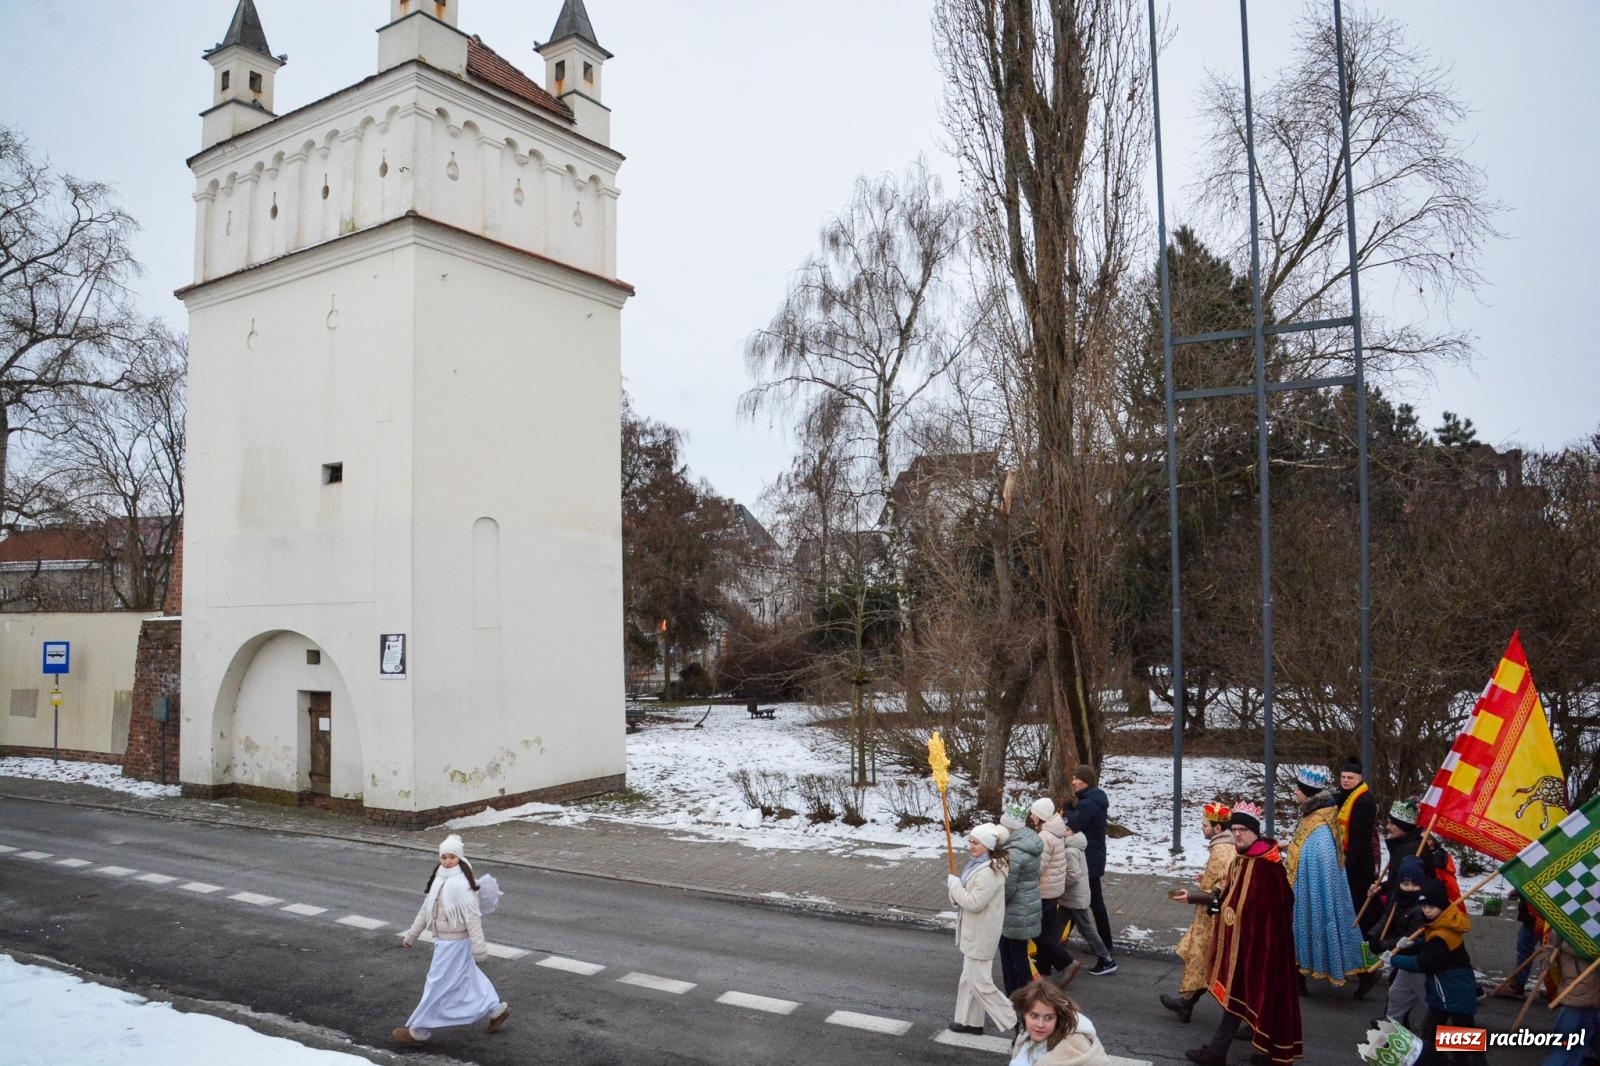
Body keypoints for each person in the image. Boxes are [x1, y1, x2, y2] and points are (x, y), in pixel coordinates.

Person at [1185, 801, 1303, 1066]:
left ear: (1254, 832)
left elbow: (1275, 910)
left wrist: (1250, 929)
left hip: (1262, 949)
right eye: (1235, 829)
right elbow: (1227, 899)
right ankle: (1230, 1052)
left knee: (1261, 998)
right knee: (1238, 999)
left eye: (1243, 830)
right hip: (1242, 947)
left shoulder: (1267, 867)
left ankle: (1265, 1054)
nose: (1237, 834)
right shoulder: (1241, 859)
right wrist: (1194, 897)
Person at [394, 834, 510, 1046]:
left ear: (459, 857)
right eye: (444, 857)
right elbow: (425, 910)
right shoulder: (439, 878)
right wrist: (412, 934)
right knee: (468, 978)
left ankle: (419, 1030)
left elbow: (473, 918)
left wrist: (479, 948)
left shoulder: (464, 883)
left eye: (452, 857)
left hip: (455, 943)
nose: (447, 861)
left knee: (437, 983)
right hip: (442, 940)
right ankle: (496, 1010)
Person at [1286, 767, 1367, 990]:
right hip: (1304, 884)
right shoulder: (1314, 814)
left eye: (1299, 789)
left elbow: (1320, 856)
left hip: (1313, 886)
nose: (1295, 792)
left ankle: (1365, 972)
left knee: (1321, 925)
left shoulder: (1320, 825)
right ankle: (1298, 974)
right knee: (1302, 926)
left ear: (1307, 793)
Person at [1386, 880, 1476, 1066]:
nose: (1426, 910)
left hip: (1452, 993)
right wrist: (1411, 945)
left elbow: (1424, 963)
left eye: (1431, 907)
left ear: (1442, 907)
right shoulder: (1440, 926)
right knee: (1436, 1034)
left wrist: (1393, 960)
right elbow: (1428, 947)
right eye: (1424, 906)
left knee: (1460, 1039)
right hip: (1446, 993)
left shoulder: (1443, 934)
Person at [1161, 801, 1236, 1023]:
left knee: (1205, 959)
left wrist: (1193, 896)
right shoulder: (1222, 846)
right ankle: (1186, 1005)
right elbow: (1219, 879)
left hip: (1213, 914)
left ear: (1218, 828)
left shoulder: (1222, 851)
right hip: (1210, 914)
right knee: (1201, 958)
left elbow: (1224, 888)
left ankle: (1237, 1013)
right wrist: (1204, 880)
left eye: (1205, 825)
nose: (1201, 828)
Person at [948, 823, 1018, 1036]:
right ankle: (970, 1022)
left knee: (981, 983)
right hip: (973, 932)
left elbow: (975, 902)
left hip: (981, 934)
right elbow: (962, 899)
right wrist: (956, 890)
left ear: (987, 846)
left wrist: (955, 887)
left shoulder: (990, 871)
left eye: (975, 842)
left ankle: (1018, 1021)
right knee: (968, 979)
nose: (971, 846)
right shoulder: (976, 864)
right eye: (970, 841)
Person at [1064, 765, 1115, 970]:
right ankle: (1101, 944)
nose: (1073, 781)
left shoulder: (1088, 804)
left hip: (1088, 859)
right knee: (1081, 902)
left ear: (1085, 781)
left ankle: (1105, 948)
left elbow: (1074, 824)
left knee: (1088, 902)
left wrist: (1067, 810)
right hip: (1093, 856)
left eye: (1077, 778)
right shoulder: (1092, 800)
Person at [1371, 858, 1431, 1028]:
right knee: (1396, 994)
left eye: (1415, 884)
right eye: (1406, 884)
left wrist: (1383, 945)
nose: (1410, 888)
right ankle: (1392, 1029)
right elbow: (1386, 917)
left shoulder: (1422, 909)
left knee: (1433, 1007)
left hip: (1421, 964)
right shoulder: (1397, 899)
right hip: (1406, 961)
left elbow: (1410, 939)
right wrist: (1374, 935)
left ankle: (1463, 1047)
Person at [1059, 815, 1116, 977]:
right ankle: (1048, 955)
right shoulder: (1075, 845)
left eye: (1067, 830)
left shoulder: (1070, 850)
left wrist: (1060, 886)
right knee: (1055, 929)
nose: (1064, 832)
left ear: (1073, 832)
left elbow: (1073, 875)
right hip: (1070, 898)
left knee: (1087, 930)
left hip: (1074, 898)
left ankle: (1106, 960)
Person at [1007, 979, 1111, 1066]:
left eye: (1049, 1018)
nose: (1040, 1024)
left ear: (1059, 1017)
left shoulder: (1076, 1046)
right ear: (1024, 1014)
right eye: (1034, 1016)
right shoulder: (1024, 1036)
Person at [1032, 797, 1078, 984]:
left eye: (1034, 812)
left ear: (1041, 815)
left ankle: (1068, 962)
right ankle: (1044, 971)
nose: (1031, 815)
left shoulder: (1044, 837)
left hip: (1044, 891)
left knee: (1037, 933)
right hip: (1054, 890)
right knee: (1048, 932)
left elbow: (1038, 868)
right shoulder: (1056, 831)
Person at [1001, 803, 1045, 994]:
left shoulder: (1014, 852)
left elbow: (1007, 888)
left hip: (1015, 911)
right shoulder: (1029, 843)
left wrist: (995, 903)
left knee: (1014, 956)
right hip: (1027, 906)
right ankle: (1020, 993)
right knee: (1016, 951)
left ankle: (1020, 995)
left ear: (1010, 827)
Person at [1336, 757, 1381, 931]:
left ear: (1359, 778)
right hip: (1349, 856)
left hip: (1358, 862)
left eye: (1350, 778)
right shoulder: (1346, 795)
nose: (1346, 780)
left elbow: (1361, 837)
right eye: (1343, 777)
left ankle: (1367, 936)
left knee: (1361, 902)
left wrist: (1349, 861)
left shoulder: (1363, 800)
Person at [1543, 934, 1599, 1066]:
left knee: (1580, 1044)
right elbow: (1555, 943)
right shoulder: (1577, 918)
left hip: (1591, 993)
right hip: (1578, 986)